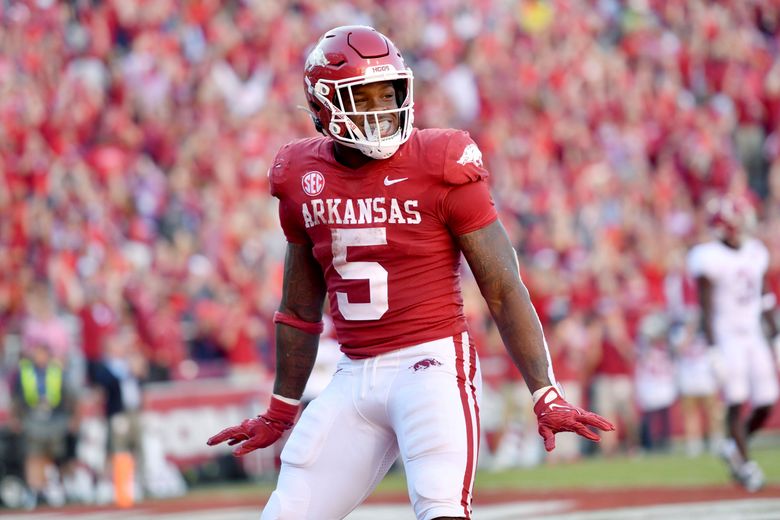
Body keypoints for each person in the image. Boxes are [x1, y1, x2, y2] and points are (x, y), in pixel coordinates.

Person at [207, 25, 614, 520]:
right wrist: (281, 408)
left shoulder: (440, 159)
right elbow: (298, 308)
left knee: (441, 507)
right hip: (353, 374)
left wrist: (545, 391)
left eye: (388, 93)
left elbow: (503, 288)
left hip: (432, 364)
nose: (381, 110)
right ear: (323, 105)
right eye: (363, 97)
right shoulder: (298, 174)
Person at [687, 195, 780, 492]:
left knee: (766, 402)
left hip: (753, 333)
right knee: (736, 399)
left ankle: (732, 447)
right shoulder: (708, 257)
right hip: (727, 336)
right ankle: (744, 462)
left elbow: (765, 297)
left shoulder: (754, 251)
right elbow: (706, 308)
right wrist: (712, 348)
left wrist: (775, 334)